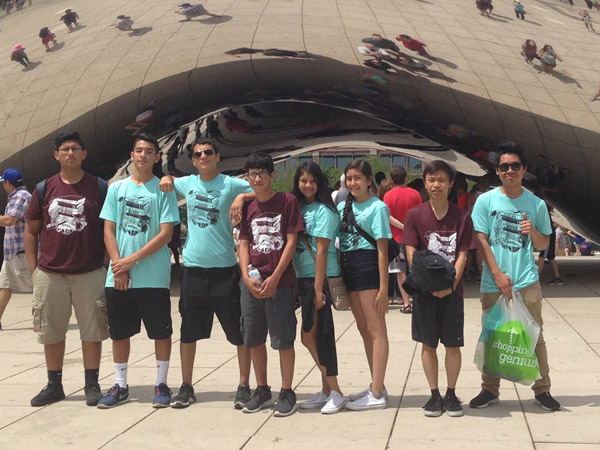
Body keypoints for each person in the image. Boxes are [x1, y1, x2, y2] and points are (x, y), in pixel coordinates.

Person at [158, 138, 255, 410]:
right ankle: (186, 386)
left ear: (218, 156)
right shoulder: (187, 183)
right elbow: (164, 182)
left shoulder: (230, 183)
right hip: (194, 270)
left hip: (225, 270)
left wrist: (241, 196)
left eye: (208, 152)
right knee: (188, 331)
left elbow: (262, 190)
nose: (203, 157)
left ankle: (244, 384)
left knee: (239, 332)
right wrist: (166, 176)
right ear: (193, 160)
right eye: (198, 154)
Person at [470, 141, 561, 412]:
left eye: (515, 166)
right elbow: (481, 238)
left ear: (524, 169)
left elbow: (544, 243)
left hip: (526, 281)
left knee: (535, 335)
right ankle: (490, 388)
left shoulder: (535, 204)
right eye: (504, 167)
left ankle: (542, 389)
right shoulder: (485, 201)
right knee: (494, 334)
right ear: (497, 171)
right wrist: (496, 273)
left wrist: (531, 231)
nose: (510, 171)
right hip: (493, 282)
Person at [25, 131, 108, 407]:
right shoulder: (43, 189)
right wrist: (33, 269)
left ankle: (92, 383)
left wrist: (107, 264)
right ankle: (54, 384)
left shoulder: (98, 187)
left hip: (90, 271)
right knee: (51, 331)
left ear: (84, 154)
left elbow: (109, 228)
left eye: (75, 149)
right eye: (65, 149)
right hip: (50, 273)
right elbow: (31, 231)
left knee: (92, 330)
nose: (70, 153)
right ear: (56, 155)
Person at [97, 133, 180, 409]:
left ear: (157, 157)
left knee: (160, 332)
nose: (143, 155)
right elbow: (108, 229)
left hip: (153, 277)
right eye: (138, 150)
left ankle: (162, 383)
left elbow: (165, 234)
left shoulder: (163, 189)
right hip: (118, 276)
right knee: (119, 332)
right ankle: (120, 385)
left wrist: (131, 261)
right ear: (131, 156)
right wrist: (118, 266)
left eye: (149, 151)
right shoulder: (116, 190)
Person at [402, 160, 475, 417]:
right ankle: (434, 395)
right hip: (425, 293)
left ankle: (451, 393)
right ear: (425, 183)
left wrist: (450, 286)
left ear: (450, 183)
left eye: (442, 180)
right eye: (431, 179)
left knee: (453, 345)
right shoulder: (415, 215)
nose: (436, 185)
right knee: (428, 344)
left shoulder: (462, 217)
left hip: (453, 293)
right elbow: (411, 253)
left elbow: (463, 254)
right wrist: (429, 286)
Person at [238, 151, 304, 417]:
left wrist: (276, 277)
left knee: (283, 339)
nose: (257, 178)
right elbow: (243, 242)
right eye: (252, 174)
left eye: (262, 174)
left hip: (281, 282)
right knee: (253, 337)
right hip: (252, 282)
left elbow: (291, 241)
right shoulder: (248, 207)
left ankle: (287, 391)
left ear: (272, 175)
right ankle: (262, 388)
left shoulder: (287, 201)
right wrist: (244, 275)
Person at [291, 161, 347, 414]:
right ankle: (327, 390)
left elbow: (322, 252)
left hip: (319, 278)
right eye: (303, 181)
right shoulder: (298, 207)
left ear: (320, 183)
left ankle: (335, 391)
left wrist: (317, 289)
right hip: (305, 278)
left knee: (316, 336)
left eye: (312, 181)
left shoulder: (325, 211)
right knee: (311, 335)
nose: (308, 185)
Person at [338, 159, 391, 410]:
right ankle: (375, 383)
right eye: (349, 179)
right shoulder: (342, 208)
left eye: (358, 178)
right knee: (363, 329)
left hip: (369, 267)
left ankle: (378, 393)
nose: (353, 183)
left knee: (376, 330)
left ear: (369, 180)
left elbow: (382, 250)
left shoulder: (377, 207)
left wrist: (383, 289)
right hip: (349, 268)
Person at [383, 166, 422, 313]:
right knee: (416, 269)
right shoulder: (415, 194)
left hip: (396, 239)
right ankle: (418, 301)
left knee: (400, 271)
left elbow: (388, 216)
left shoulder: (388, 196)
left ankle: (406, 303)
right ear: (406, 178)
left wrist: (402, 226)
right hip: (414, 238)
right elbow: (420, 213)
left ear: (391, 180)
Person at [0, 169, 32, 331]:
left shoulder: (22, 197)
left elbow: (9, 220)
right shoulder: (14, 197)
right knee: (5, 286)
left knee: (37, 287)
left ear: (7, 183)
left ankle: (43, 319)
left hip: (21, 253)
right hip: (11, 254)